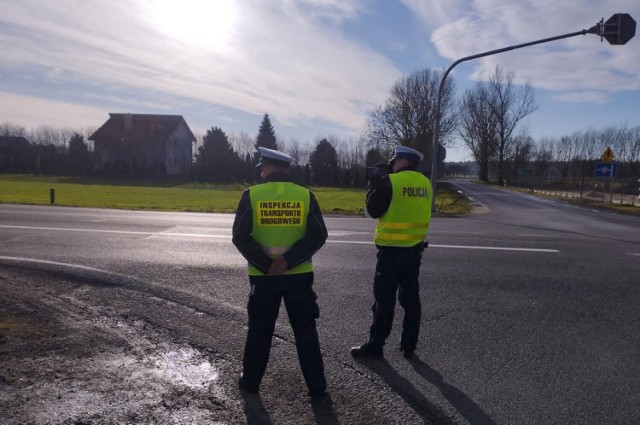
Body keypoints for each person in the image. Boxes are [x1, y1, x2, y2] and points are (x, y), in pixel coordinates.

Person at [232, 146, 328, 399]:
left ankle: (251, 382)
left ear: (269, 167)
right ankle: (317, 388)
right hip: (299, 275)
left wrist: (267, 263)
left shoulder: (251, 195)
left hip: (264, 278)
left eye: (262, 167)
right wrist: (289, 260)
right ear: (286, 169)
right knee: (305, 331)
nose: (261, 171)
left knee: (260, 330)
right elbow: (319, 235)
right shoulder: (305, 196)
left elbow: (240, 237)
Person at [351, 145, 433, 359]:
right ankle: (409, 345)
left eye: (394, 160)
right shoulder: (426, 183)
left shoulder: (390, 182)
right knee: (411, 301)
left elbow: (372, 211)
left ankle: (376, 346)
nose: (392, 164)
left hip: (390, 254)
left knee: (383, 301)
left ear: (404, 161)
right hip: (414, 252)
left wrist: (375, 183)